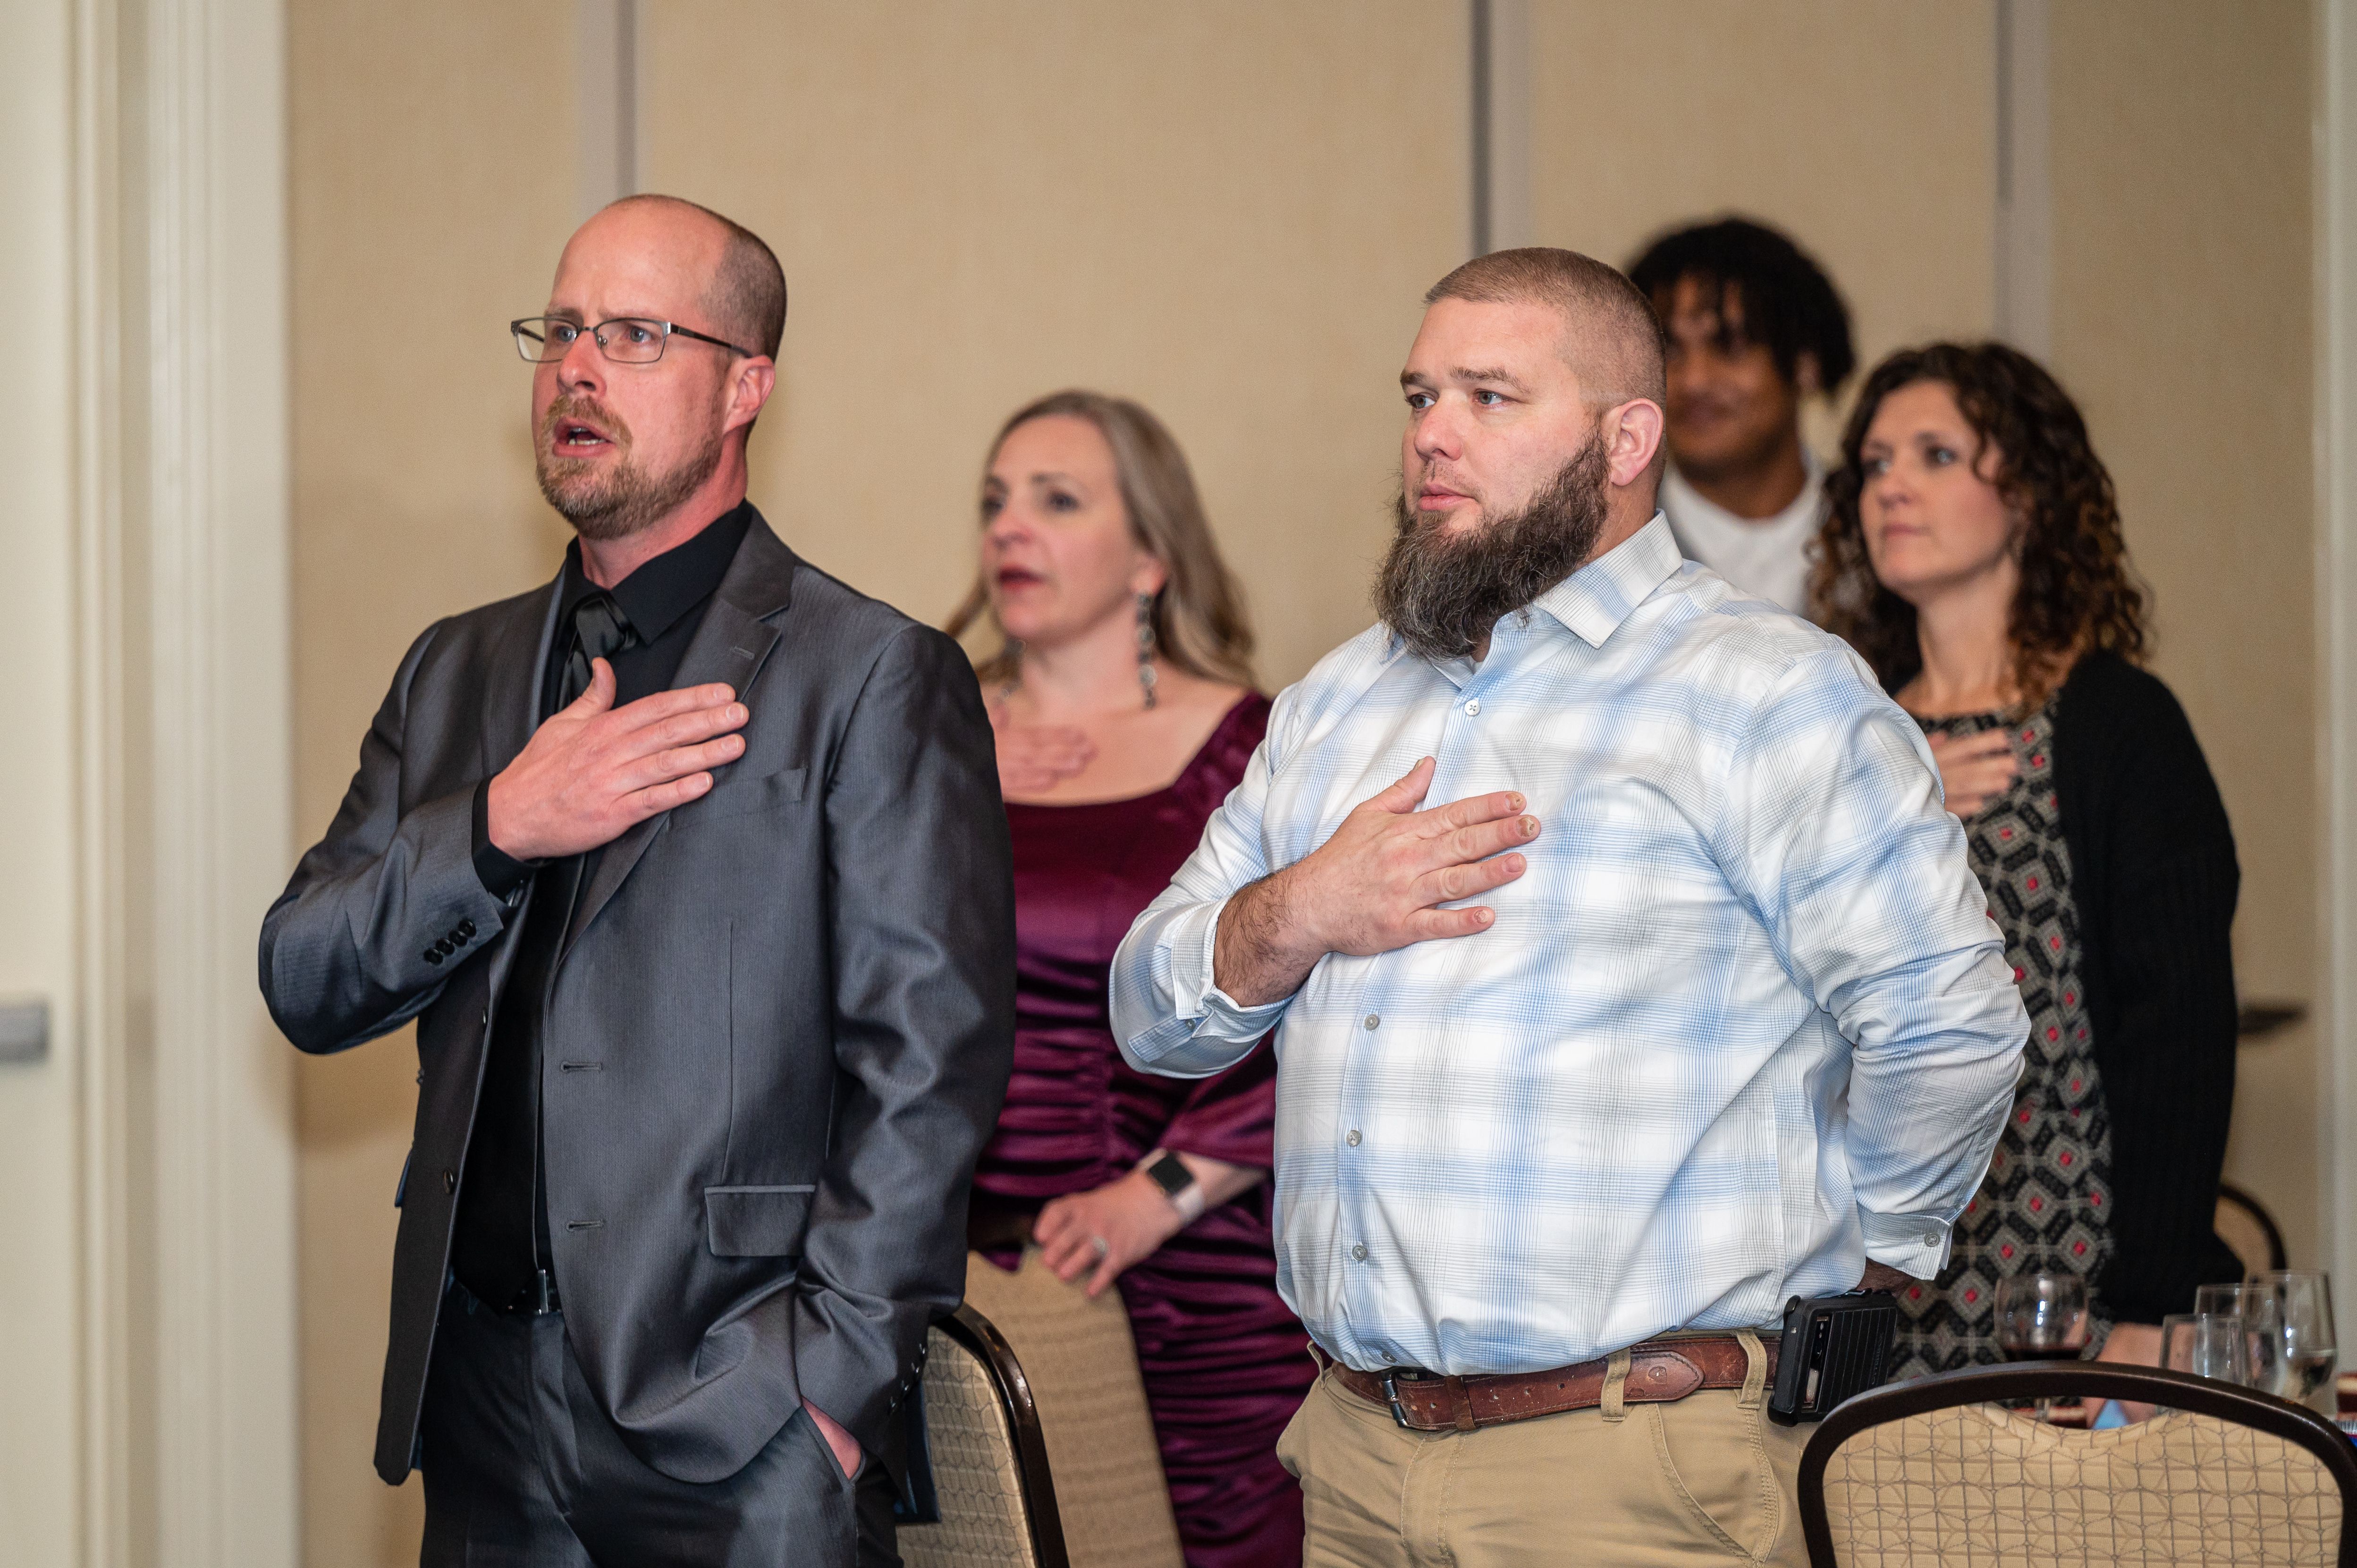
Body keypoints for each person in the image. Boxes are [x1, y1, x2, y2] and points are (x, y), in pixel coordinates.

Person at [1110, 246, 2029, 1568]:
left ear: (1625, 437)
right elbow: (1151, 1014)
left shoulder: (1766, 691)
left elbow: (1948, 1027)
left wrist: (1863, 1260)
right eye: (1421, 396)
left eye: (1490, 398)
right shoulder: (1337, 702)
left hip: (1637, 1467)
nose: (1432, 435)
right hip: (1356, 1457)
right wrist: (1303, 908)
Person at [259, 194, 1014, 1568]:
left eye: (634, 334)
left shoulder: (868, 676)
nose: (576, 369)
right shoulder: (457, 671)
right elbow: (306, 974)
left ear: (746, 384)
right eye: (560, 331)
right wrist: (494, 825)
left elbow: (928, 1066)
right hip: (480, 1405)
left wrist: (825, 1399)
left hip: (743, 1420)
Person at [1812, 342, 2242, 1379]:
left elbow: (2178, 1029)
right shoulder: (1841, 728)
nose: (1893, 487)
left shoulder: (2116, 725)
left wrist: (2153, 1297)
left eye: (1936, 455)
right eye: (1874, 463)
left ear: (2032, 497)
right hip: (1864, 1284)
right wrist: (1894, 791)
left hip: (2074, 1286)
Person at [944, 390, 1310, 1568]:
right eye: (995, 501)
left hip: (1193, 1274)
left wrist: (1160, 1191)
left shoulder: (1254, 748)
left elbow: (1322, 1009)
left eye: (1056, 500)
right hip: (953, 1274)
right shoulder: (920, 734)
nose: (1011, 527)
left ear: (1151, 555)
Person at [1627, 217, 1854, 617]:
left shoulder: (1882, 537)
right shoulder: (1603, 549)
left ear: (1806, 363)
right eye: (1670, 351)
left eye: (1730, 345)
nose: (1694, 381)